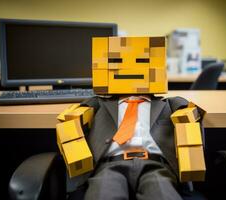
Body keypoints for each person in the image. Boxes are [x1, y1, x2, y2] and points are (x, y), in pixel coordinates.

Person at [56, 36, 206, 200]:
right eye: (117, 61)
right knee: (102, 193)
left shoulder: (169, 104)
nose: (129, 69)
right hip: (109, 165)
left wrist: (190, 158)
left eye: (142, 61)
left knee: (162, 193)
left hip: (156, 165)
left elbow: (192, 120)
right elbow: (71, 120)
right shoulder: (99, 103)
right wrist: (77, 157)